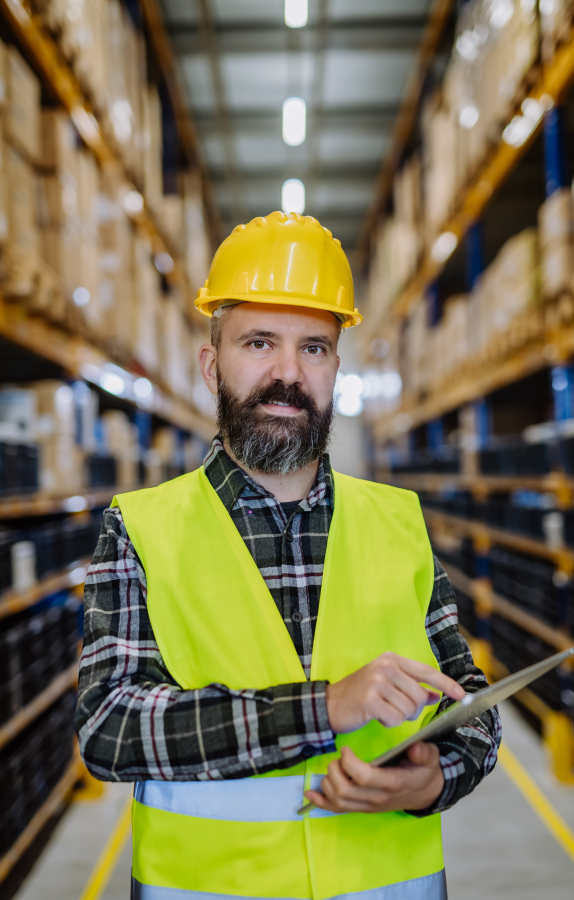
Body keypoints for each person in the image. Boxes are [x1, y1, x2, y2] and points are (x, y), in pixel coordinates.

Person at [76, 211, 501, 900]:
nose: (286, 374)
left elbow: (471, 700)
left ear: (335, 367)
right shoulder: (139, 528)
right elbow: (109, 729)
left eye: (314, 348)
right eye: (259, 342)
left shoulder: (397, 523)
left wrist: (437, 778)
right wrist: (324, 708)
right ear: (213, 365)